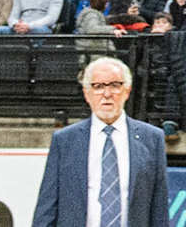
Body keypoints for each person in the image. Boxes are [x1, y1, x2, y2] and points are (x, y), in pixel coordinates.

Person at [32, 56, 171, 227]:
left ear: (127, 91)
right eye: (98, 87)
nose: (107, 94)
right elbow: (47, 207)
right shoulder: (65, 140)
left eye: (115, 85)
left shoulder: (152, 138)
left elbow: (159, 208)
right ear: (87, 94)